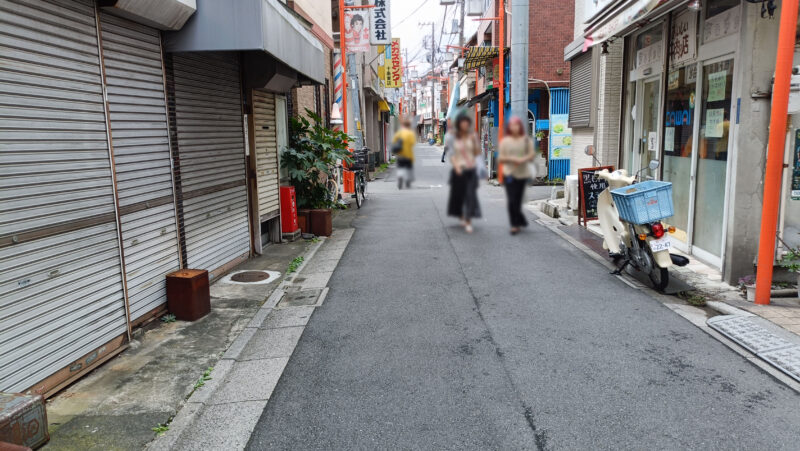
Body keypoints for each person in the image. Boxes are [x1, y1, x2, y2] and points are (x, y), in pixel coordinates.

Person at [498, 116, 536, 235]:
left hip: (522, 174)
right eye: (512, 125)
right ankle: (514, 224)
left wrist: (522, 159)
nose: (514, 127)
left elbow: (531, 155)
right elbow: (501, 158)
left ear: (520, 127)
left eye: (517, 125)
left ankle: (520, 218)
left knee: (518, 200)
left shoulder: (526, 140)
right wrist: (512, 158)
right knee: (511, 200)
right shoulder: (505, 141)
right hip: (509, 174)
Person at [447, 113, 481, 233]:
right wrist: (456, 167)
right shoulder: (454, 138)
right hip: (458, 170)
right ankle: (461, 215)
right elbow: (451, 155)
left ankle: (468, 220)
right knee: (459, 196)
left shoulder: (473, 136)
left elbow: (477, 153)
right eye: (462, 123)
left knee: (470, 196)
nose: (465, 125)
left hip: (470, 170)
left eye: (466, 123)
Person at [392, 117, 416, 189]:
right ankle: (408, 182)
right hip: (408, 155)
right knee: (408, 168)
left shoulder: (399, 133)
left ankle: (400, 180)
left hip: (400, 154)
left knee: (400, 168)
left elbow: (394, 142)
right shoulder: (410, 133)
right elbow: (412, 143)